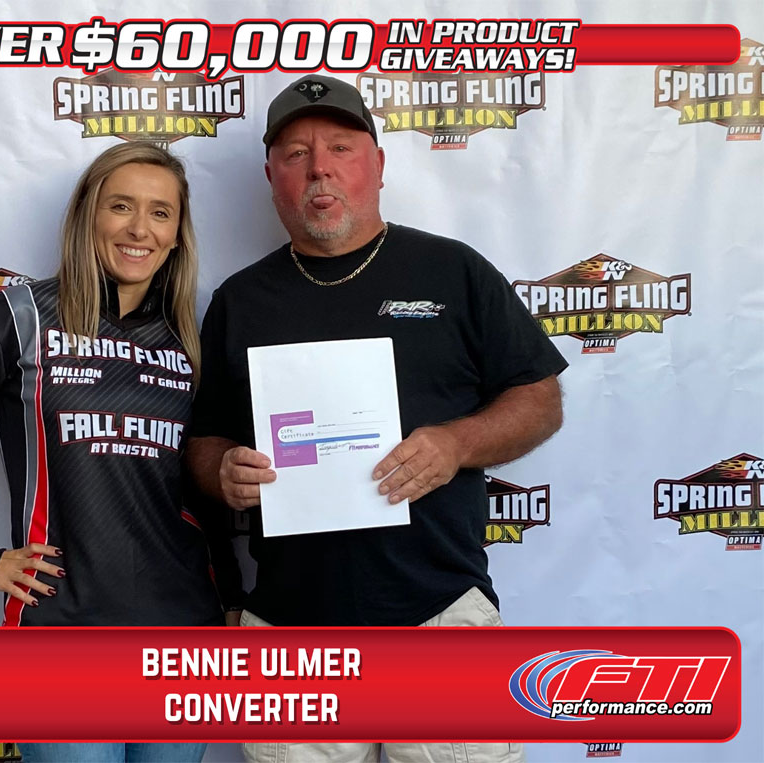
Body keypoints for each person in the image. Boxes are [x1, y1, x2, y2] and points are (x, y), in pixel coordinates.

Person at [186, 74, 567, 763]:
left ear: (379, 164)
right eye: (296, 154)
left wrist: (457, 443)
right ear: (271, 178)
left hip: (440, 616)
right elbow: (204, 439)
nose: (319, 168)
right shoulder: (239, 302)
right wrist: (221, 471)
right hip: (293, 636)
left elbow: (539, 399)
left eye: (341, 147)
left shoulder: (453, 272)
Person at [0, 142, 239, 763]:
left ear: (176, 236)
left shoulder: (191, 334)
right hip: (61, 627)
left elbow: (206, 476)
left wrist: (234, 597)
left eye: (160, 213)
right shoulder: (23, 315)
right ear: (88, 214)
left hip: (182, 631)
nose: (140, 229)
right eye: (122, 206)